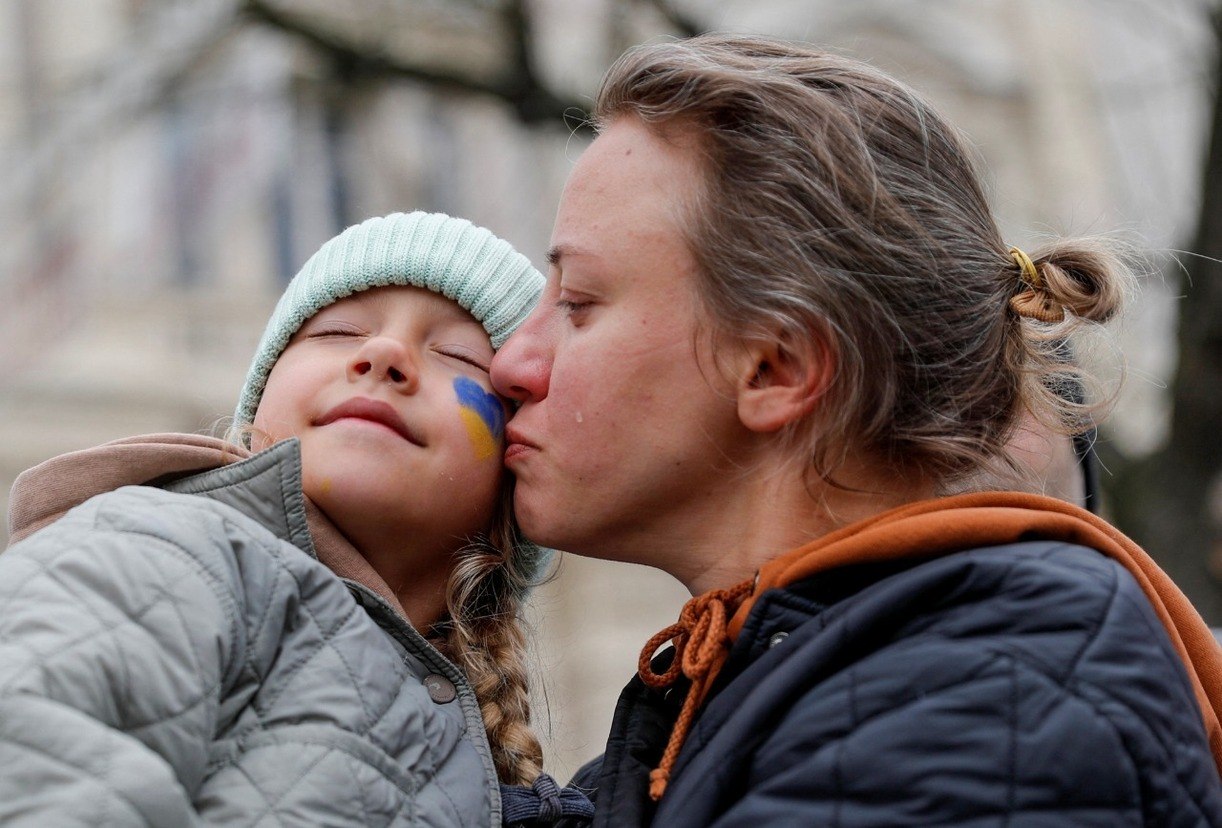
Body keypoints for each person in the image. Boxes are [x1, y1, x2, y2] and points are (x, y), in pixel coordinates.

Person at [489, 35, 1222, 825]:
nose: (512, 365)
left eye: (578, 302)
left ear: (778, 367)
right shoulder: (817, 690)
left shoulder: (975, 710)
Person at [0, 211, 569, 825]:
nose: (383, 353)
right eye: (337, 331)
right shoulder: (168, 551)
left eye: (459, 356)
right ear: (257, 410)